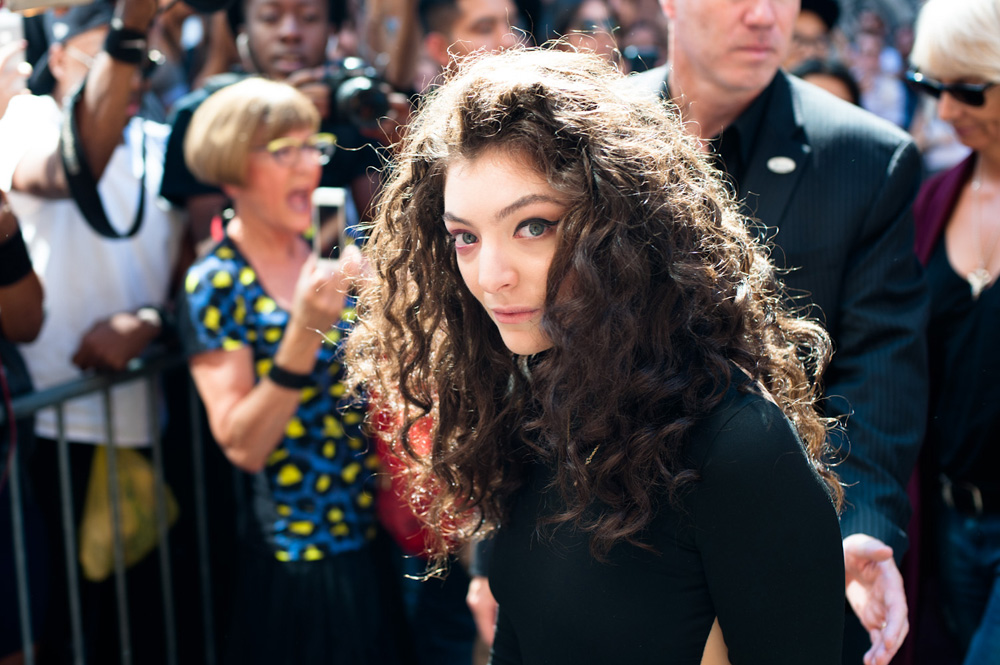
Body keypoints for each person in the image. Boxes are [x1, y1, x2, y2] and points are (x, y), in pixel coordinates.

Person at [346, 47, 847, 664]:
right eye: (465, 238)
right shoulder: (532, 406)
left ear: (623, 228)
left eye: (533, 225)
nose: (491, 275)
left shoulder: (738, 446)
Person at [628, 1, 928, 664]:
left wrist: (861, 527)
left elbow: (879, 370)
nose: (765, 15)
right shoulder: (590, 131)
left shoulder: (865, 156)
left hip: (781, 556)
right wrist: (495, 547)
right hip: (612, 540)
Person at [180, 77, 401, 665]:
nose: (308, 165)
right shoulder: (217, 282)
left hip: (375, 538)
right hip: (297, 557)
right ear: (231, 167)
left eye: (313, 145)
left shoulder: (331, 247)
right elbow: (243, 443)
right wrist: (303, 330)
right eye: (284, 151)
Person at [0, 0, 184, 661]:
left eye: (144, 56)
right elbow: (71, 169)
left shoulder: (162, 139)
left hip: (144, 421)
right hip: (50, 429)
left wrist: (154, 321)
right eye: (109, 51)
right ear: (55, 58)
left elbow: (192, 270)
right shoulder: (24, 119)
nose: (133, 71)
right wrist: (129, 29)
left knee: (139, 629)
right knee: (61, 632)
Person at [907, 0, 1000, 662]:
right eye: (930, 87)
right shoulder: (932, 200)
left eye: (970, 90)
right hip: (946, 517)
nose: (945, 112)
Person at [161, 0, 384, 247]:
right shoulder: (200, 115)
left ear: (332, 29)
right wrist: (275, 114)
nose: (290, 33)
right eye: (270, 18)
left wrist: (401, 142)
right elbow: (210, 242)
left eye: (309, 17)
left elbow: (381, 234)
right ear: (242, 29)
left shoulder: (351, 108)